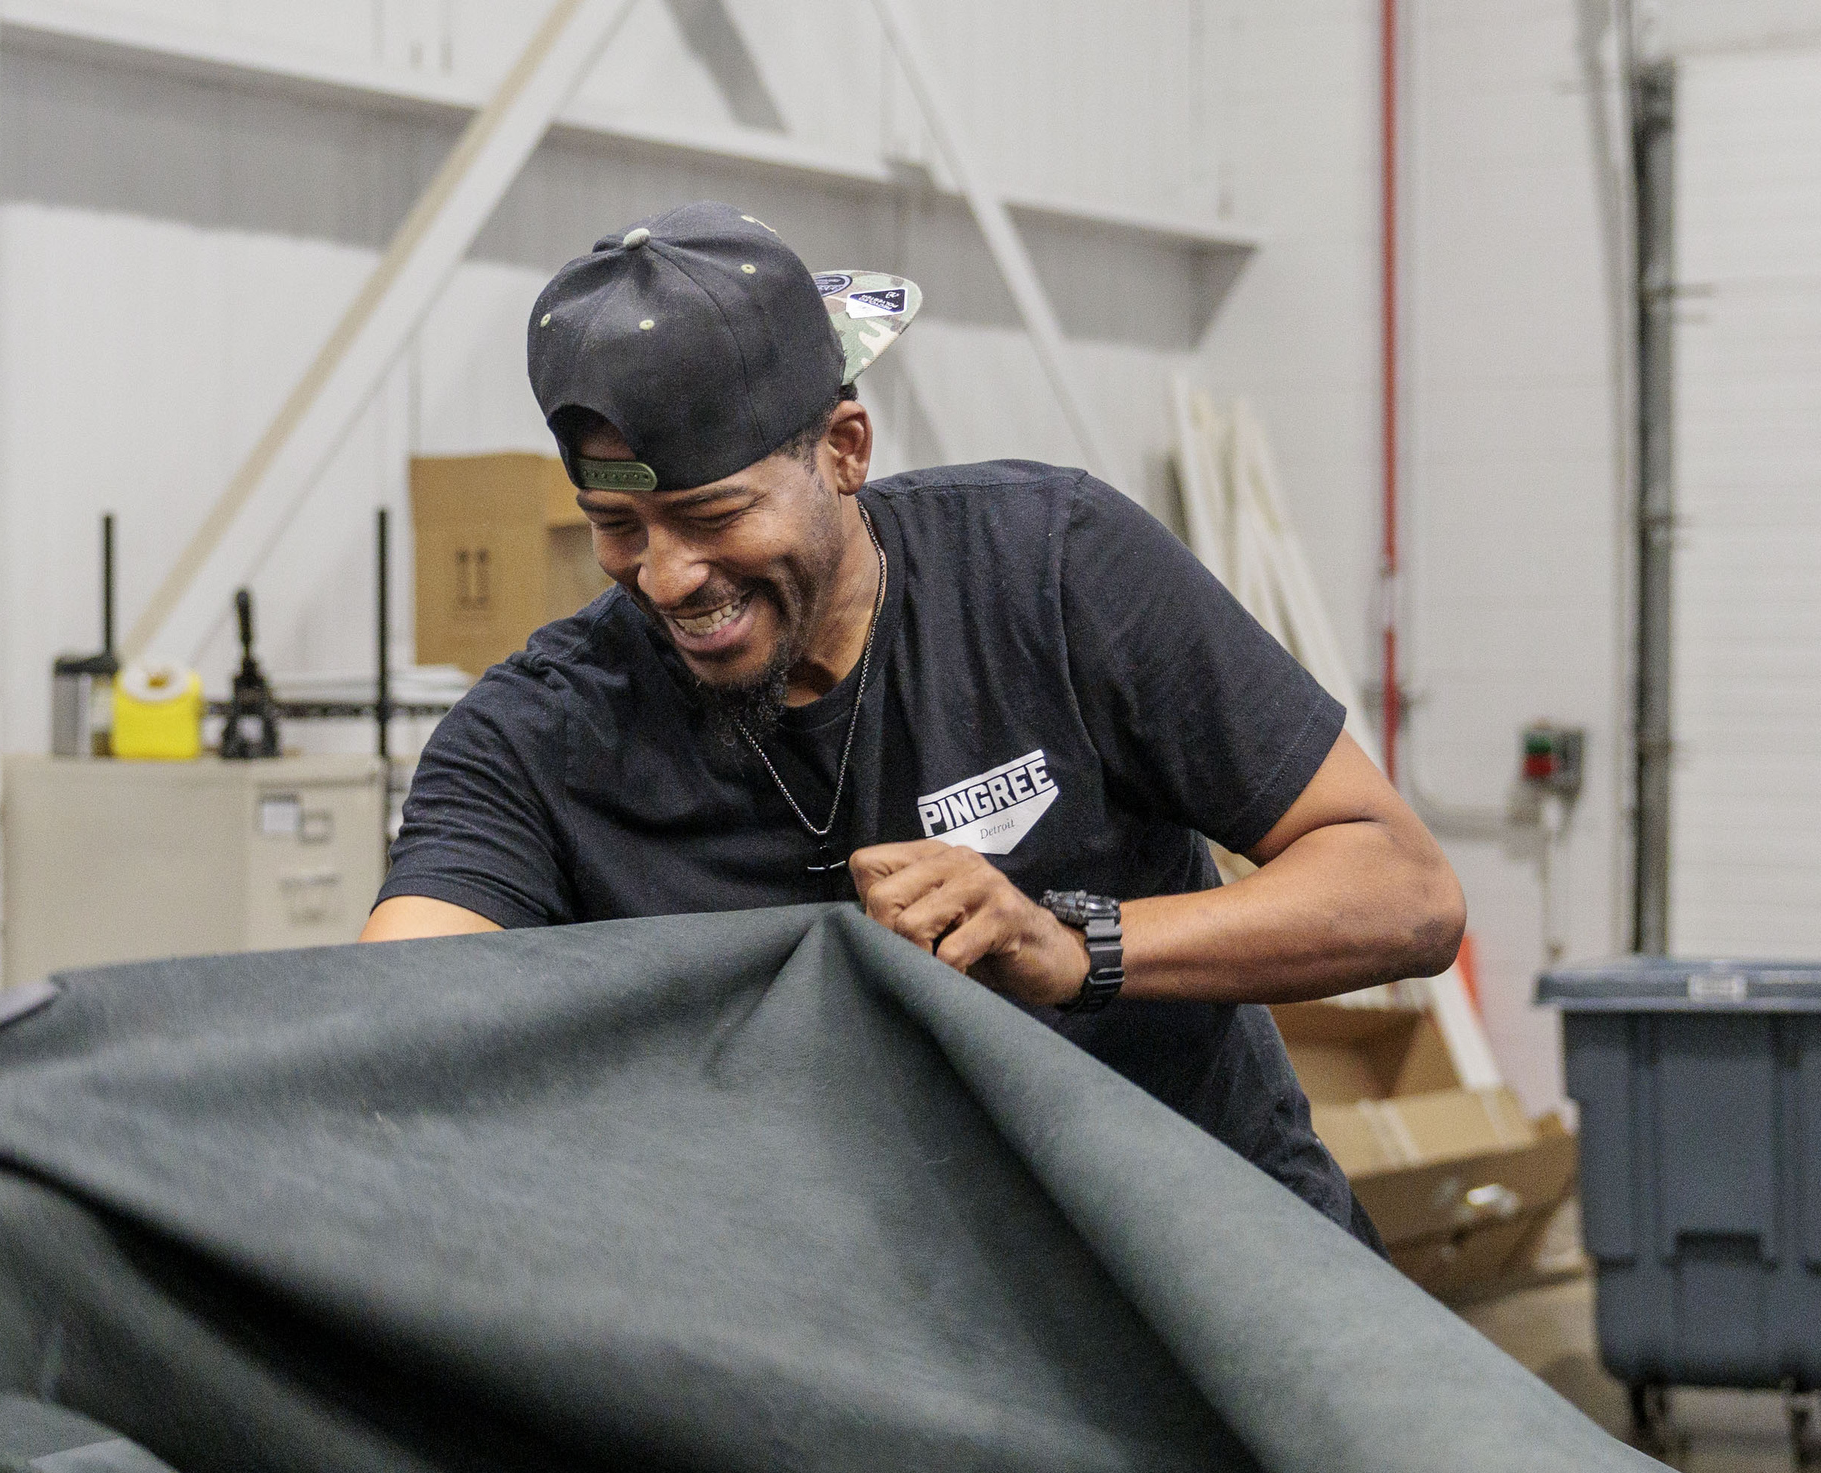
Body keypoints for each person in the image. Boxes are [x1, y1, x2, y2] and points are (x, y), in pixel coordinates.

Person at [362, 203, 1465, 1242]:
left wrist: (1073, 948)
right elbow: (392, 1026)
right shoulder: (538, 734)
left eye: (713, 514)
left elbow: (1404, 892)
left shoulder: (1052, 570)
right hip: (867, 1349)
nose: (666, 574)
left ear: (844, 448)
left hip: (1209, 1257)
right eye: (616, 524)